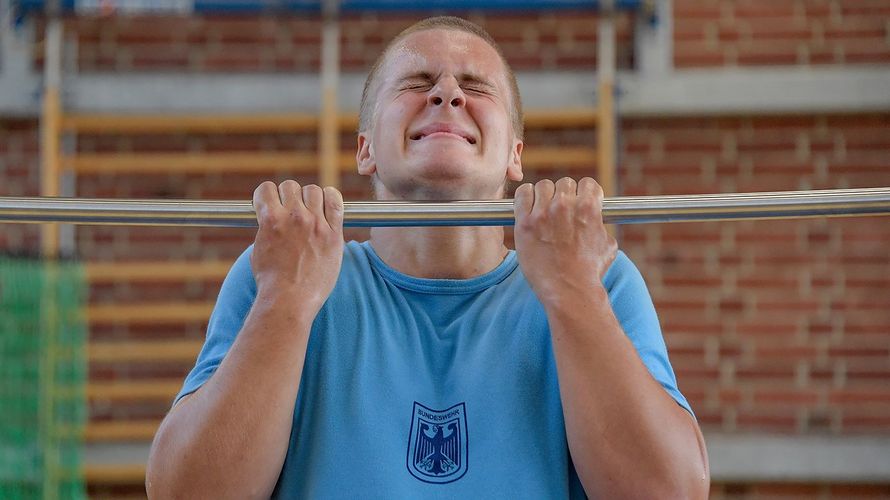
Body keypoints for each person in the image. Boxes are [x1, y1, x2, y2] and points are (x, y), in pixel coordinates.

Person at [146, 16, 709, 499]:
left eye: (475, 86)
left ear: (515, 155)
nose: (447, 93)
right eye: (417, 82)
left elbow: (670, 492)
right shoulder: (280, 271)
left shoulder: (599, 279)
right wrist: (284, 303)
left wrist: (574, 293)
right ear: (365, 148)